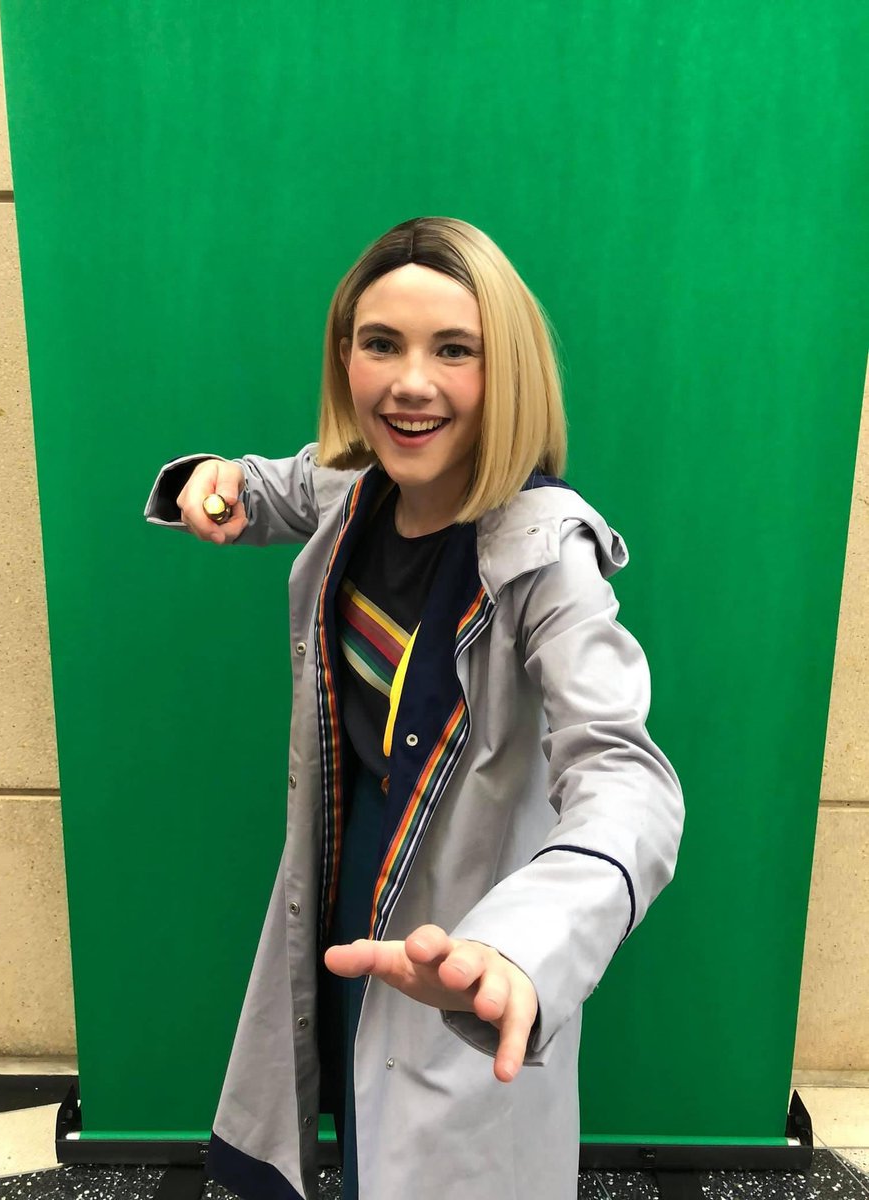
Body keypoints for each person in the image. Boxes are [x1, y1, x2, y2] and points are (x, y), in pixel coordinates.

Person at [144, 216, 684, 1200]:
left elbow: (627, 780)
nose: (410, 383)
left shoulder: (545, 556)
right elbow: (279, 488)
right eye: (381, 344)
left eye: (455, 350)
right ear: (344, 355)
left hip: (469, 924)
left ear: (508, 369)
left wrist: (522, 945)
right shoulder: (360, 489)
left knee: (433, 1151)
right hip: (353, 875)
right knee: (359, 1111)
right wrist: (214, 481)